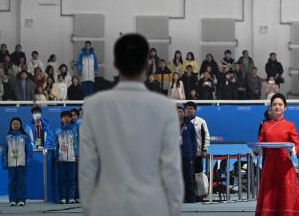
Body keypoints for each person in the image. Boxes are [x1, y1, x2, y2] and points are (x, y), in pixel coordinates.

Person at [79, 33, 181, 216]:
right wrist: (173, 210)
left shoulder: (93, 105)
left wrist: (89, 209)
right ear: (148, 65)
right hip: (152, 207)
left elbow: (87, 168)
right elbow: (171, 169)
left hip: (106, 206)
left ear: (115, 64)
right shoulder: (165, 107)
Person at [255, 93, 299, 216]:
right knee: (269, 196)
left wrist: (292, 150)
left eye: (280, 104)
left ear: (285, 108)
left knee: (286, 196)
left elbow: (298, 146)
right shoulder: (265, 125)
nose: (277, 107)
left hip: (285, 167)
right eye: (274, 104)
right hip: (269, 167)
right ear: (270, 107)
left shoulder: (290, 125)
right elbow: (260, 145)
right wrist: (255, 149)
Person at [5, 117, 31, 207]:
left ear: (20, 125)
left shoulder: (25, 136)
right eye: (13, 124)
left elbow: (29, 150)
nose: (15, 125)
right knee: (11, 182)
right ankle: (12, 200)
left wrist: (28, 161)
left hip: (22, 163)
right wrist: (5, 162)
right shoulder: (7, 137)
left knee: (22, 182)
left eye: (17, 124)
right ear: (11, 125)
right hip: (11, 163)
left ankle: (21, 199)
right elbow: (4, 151)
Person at [55, 110, 80, 204]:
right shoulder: (57, 131)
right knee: (62, 179)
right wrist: (56, 156)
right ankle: (63, 197)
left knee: (72, 179)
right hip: (61, 159)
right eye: (64, 117)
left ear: (71, 118)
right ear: (61, 119)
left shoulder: (75, 130)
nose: (66, 118)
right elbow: (55, 145)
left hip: (72, 159)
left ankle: (71, 197)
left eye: (68, 117)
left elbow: (77, 143)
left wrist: (77, 155)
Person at [185, 100, 210, 191]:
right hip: (185, 153)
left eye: (191, 108)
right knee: (186, 174)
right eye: (187, 108)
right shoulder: (182, 121)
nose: (189, 110)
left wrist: (204, 149)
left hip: (198, 153)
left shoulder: (201, 121)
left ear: (195, 110)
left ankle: (199, 193)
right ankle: (187, 193)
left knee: (198, 174)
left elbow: (206, 136)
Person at [178, 106, 198, 204]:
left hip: (187, 154)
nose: (179, 114)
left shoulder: (190, 125)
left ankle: (190, 197)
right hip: (174, 154)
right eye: (177, 112)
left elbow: (194, 140)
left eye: (181, 112)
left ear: (184, 113)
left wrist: (193, 154)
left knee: (189, 176)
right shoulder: (170, 124)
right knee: (176, 177)